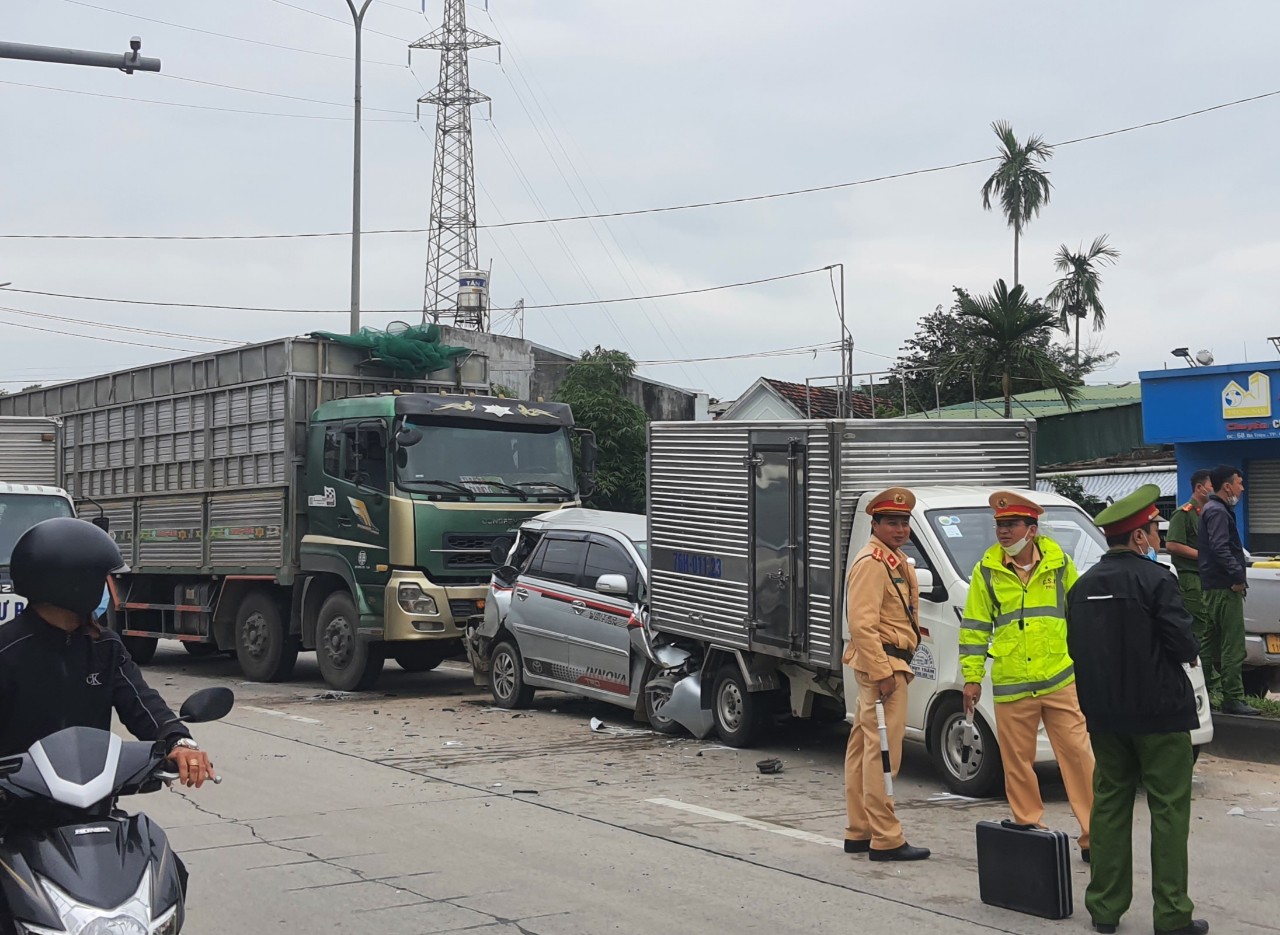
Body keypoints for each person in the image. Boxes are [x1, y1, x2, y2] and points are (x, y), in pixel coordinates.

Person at [1066, 484, 1206, 935]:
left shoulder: (1083, 587)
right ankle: (1171, 915)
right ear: (1140, 537)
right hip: (1161, 714)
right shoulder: (1158, 579)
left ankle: (1105, 910)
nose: (1157, 537)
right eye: (1153, 530)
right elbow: (1183, 644)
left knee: (1108, 804)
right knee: (1168, 811)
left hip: (1105, 716)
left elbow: (1076, 648)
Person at [959, 490, 1094, 861]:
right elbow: (974, 629)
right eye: (999, 525)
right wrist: (971, 678)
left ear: (1031, 529)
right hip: (1012, 683)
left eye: (1010, 525)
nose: (1002, 532)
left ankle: (1093, 835)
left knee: (1079, 757)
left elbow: (1079, 616)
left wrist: (1086, 666)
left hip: (1058, 678)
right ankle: (1031, 829)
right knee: (1017, 763)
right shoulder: (986, 570)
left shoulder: (1059, 564)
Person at [842, 487, 930, 862]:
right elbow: (861, 625)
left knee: (863, 752)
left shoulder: (893, 560)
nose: (900, 528)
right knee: (883, 753)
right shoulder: (872, 563)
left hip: (889, 663)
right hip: (884, 666)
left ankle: (859, 831)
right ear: (874, 524)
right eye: (891, 522)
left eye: (904, 522)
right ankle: (886, 838)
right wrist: (882, 671)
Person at [1197, 464, 1256, 716]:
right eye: (1239, 483)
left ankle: (1204, 691)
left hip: (1211, 587)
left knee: (1208, 643)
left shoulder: (1212, 509)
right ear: (1227, 486)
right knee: (1232, 644)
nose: (1242, 489)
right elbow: (1221, 548)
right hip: (1224, 587)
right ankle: (1233, 697)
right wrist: (1238, 576)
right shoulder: (1218, 512)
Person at [1166, 469, 1216, 691]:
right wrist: (1203, 556)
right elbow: (1173, 544)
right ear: (1199, 488)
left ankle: (1211, 680)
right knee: (1198, 627)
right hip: (1190, 578)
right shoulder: (1184, 513)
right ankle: (1199, 681)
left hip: (1207, 578)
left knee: (1210, 628)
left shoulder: (1208, 513)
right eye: (1211, 486)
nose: (1213, 490)